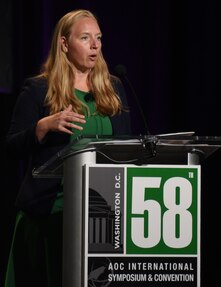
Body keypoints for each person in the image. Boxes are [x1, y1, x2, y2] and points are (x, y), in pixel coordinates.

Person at [4, 9, 131, 287]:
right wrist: (42, 127)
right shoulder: (39, 90)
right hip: (50, 216)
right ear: (64, 44)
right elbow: (11, 146)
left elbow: (126, 150)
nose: (95, 46)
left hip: (102, 218)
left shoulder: (113, 88)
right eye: (85, 38)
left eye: (98, 38)